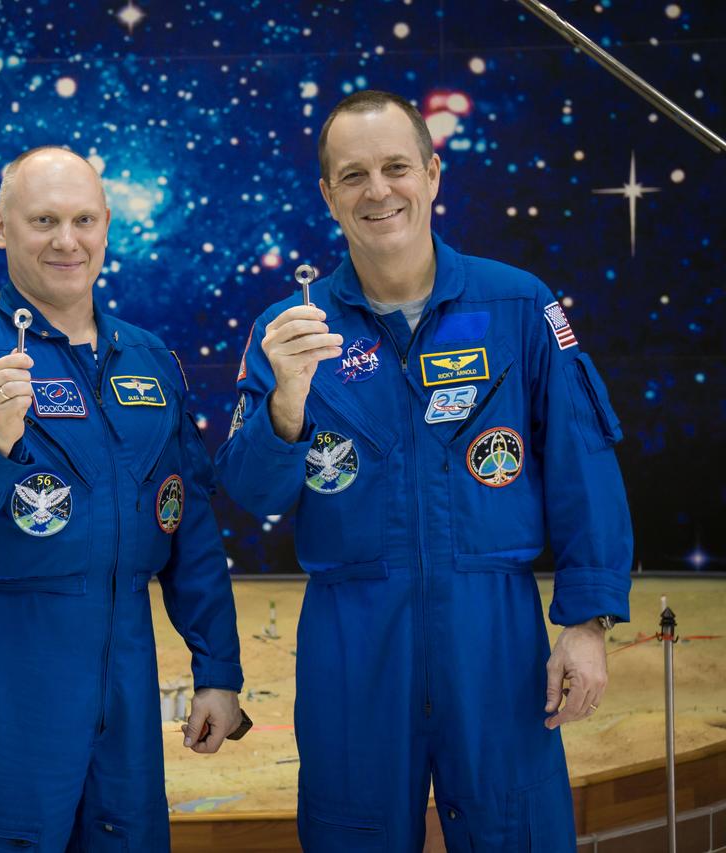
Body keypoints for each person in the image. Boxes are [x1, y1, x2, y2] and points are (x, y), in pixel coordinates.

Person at [216, 91, 632, 851]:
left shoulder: (517, 305)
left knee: (517, 829)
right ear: (328, 195)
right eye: (354, 175)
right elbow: (251, 494)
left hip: (495, 629)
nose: (378, 190)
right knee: (354, 832)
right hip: (353, 632)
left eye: (396, 167)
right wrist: (287, 402)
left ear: (433, 174)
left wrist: (586, 618)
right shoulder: (291, 332)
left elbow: (585, 463)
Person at [0, 146, 245, 851]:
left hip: (124, 669)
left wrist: (217, 670)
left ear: (107, 224)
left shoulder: (149, 362)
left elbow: (189, 527)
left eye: (83, 219)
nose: (66, 240)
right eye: (43, 220)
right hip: (5, 671)